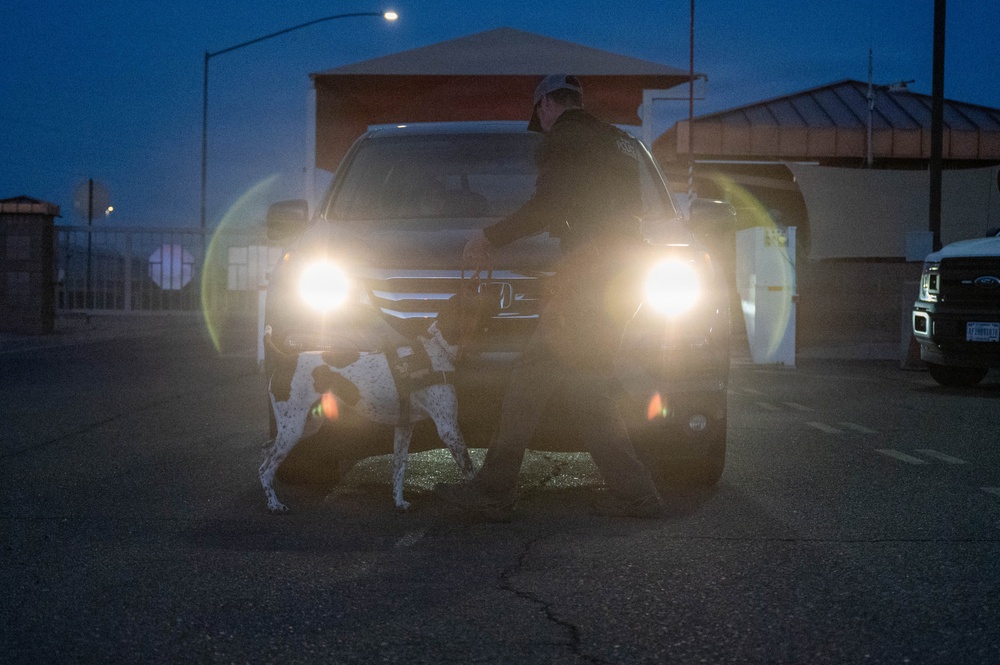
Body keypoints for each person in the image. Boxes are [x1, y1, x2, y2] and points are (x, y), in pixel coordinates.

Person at [434, 74, 665, 519]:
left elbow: (549, 206)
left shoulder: (564, 139)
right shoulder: (616, 141)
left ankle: (497, 489)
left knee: (554, 376)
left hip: (589, 274)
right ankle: (635, 493)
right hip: (625, 271)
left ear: (544, 105)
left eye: (539, 112)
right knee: (577, 382)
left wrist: (489, 236)